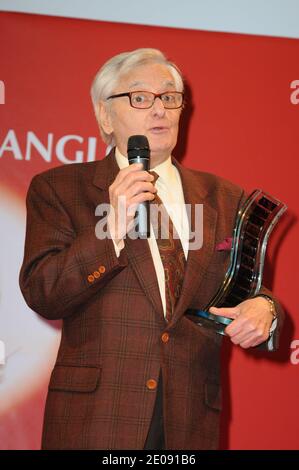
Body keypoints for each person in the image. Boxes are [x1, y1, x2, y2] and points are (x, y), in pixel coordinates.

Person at [19, 48, 284, 450]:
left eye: (170, 97)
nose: (159, 109)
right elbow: (44, 292)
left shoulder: (222, 198)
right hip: (98, 419)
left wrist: (264, 310)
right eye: (140, 97)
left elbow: (247, 289)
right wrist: (114, 228)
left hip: (188, 418)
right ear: (104, 116)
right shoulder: (59, 189)